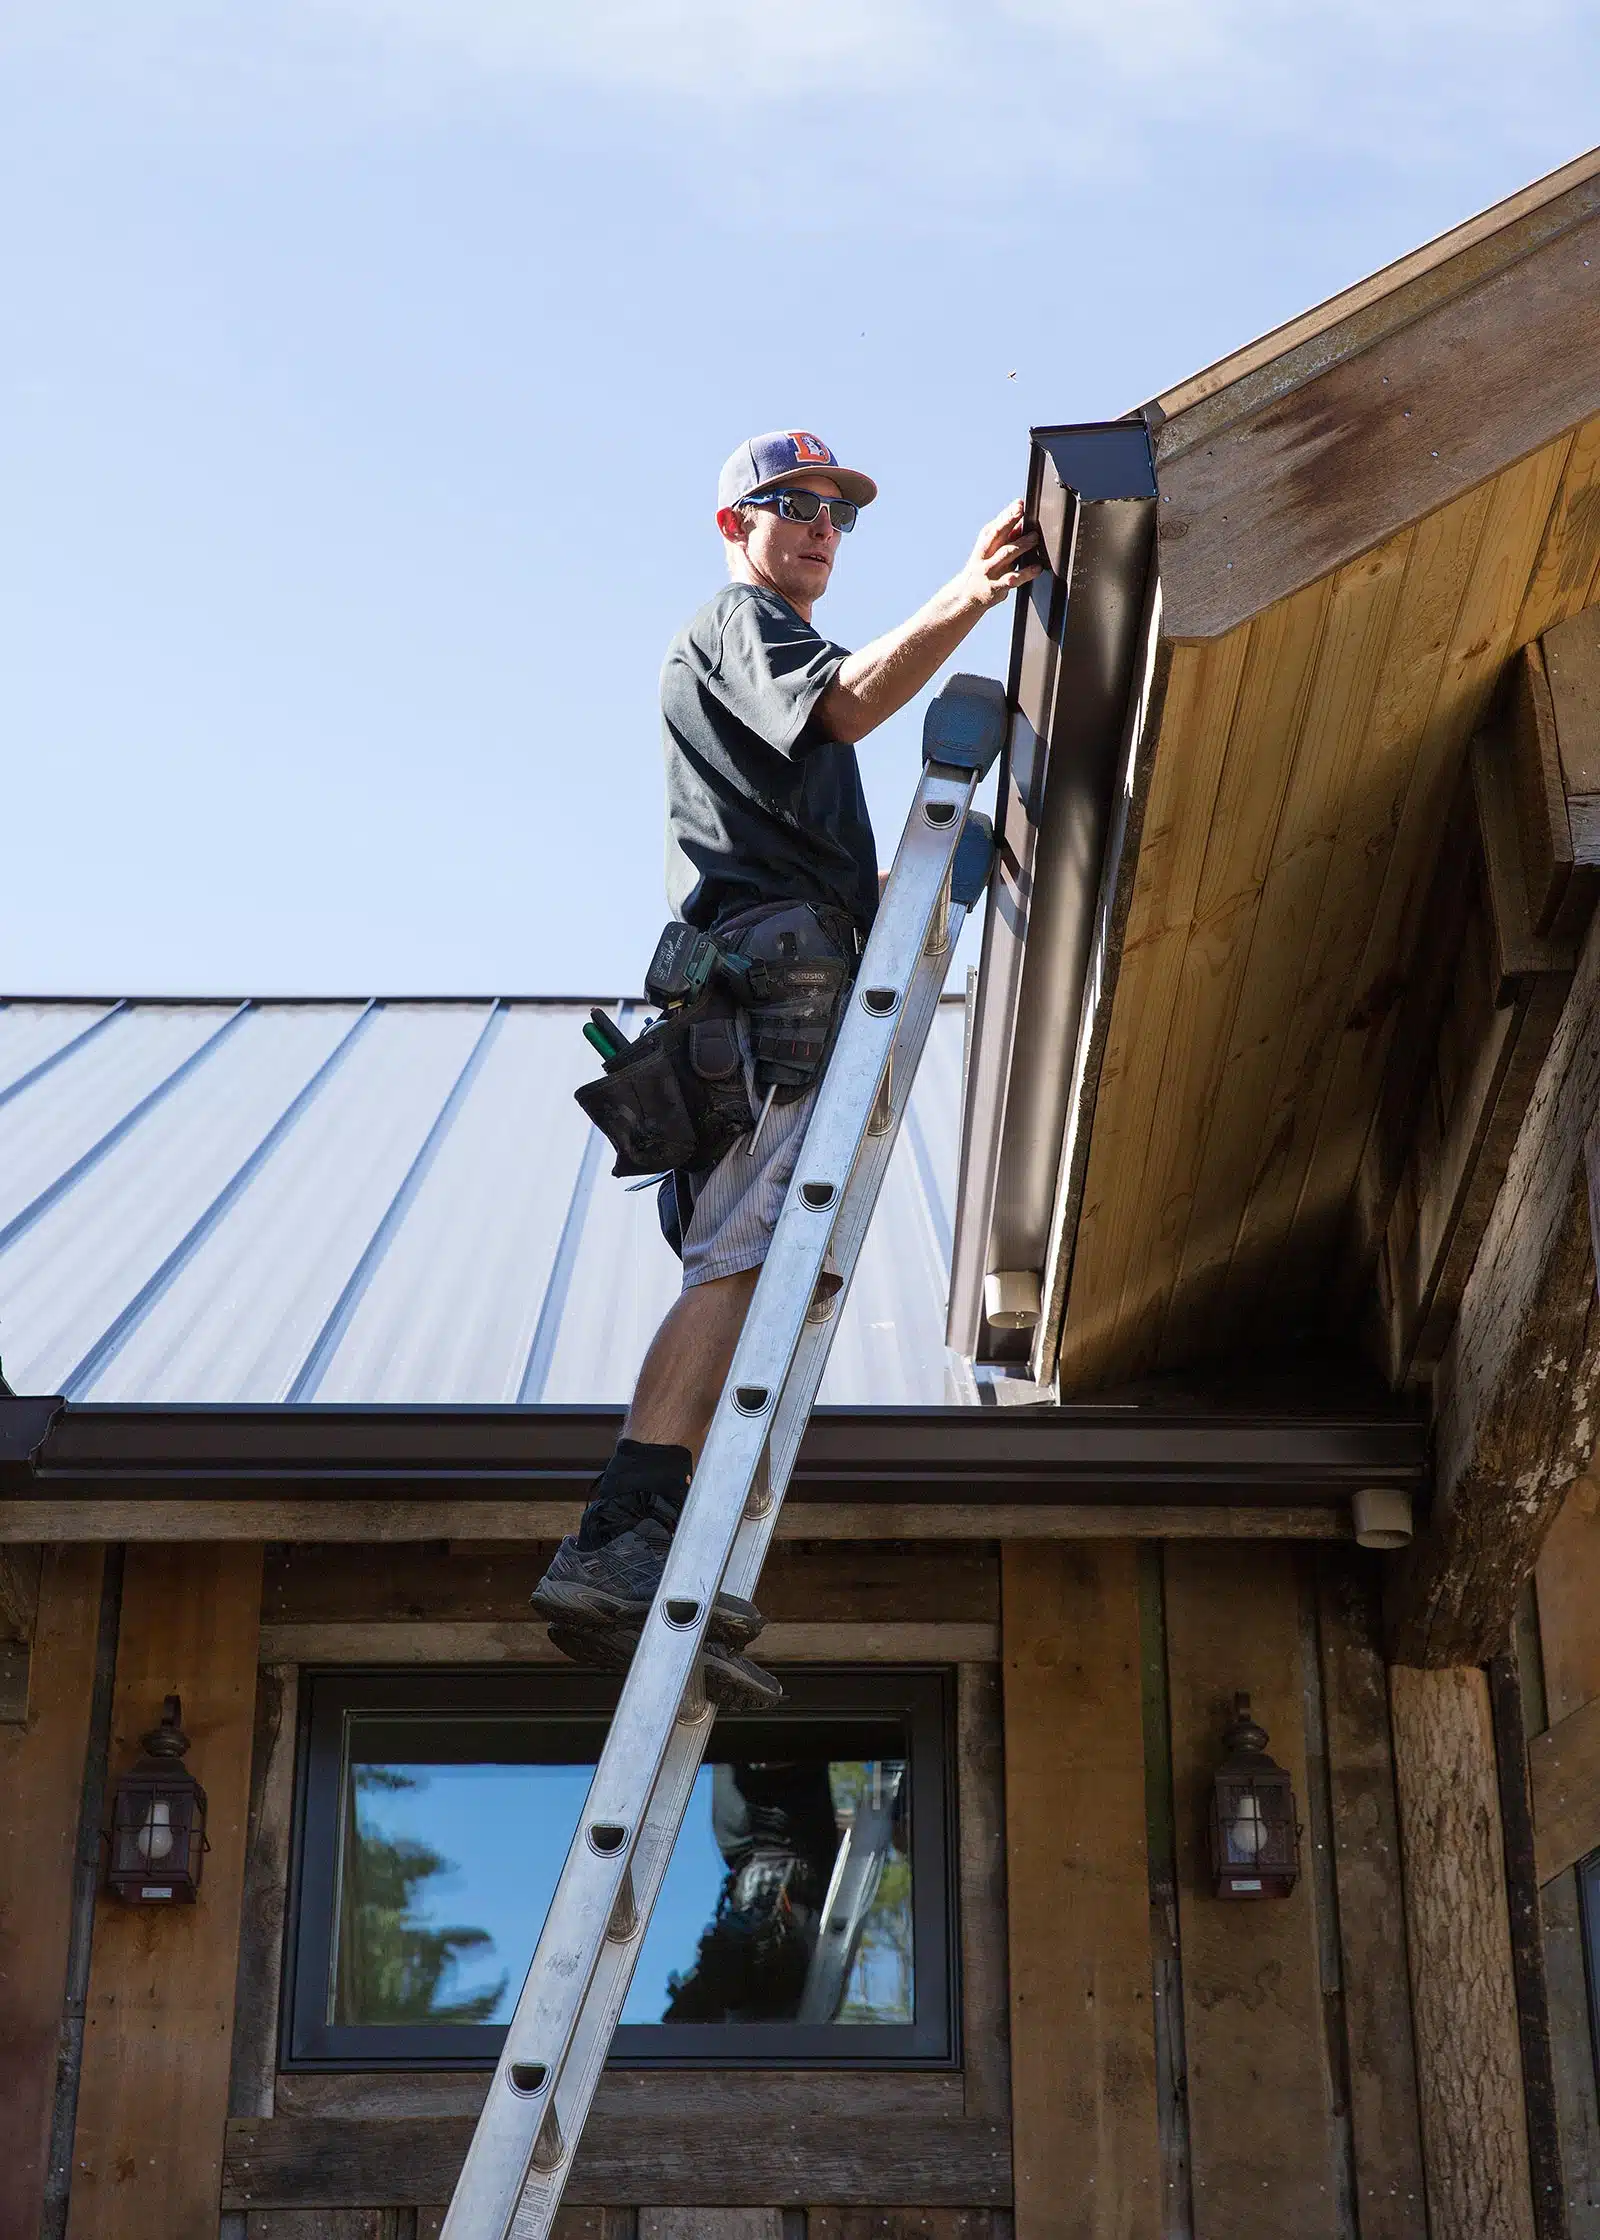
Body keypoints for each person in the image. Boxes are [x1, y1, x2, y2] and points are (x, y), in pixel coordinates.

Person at [533, 430, 1040, 1703]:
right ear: (735, 525)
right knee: (744, 1257)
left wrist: (914, 887)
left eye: (836, 512)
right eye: (793, 505)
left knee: (762, 1271)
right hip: (770, 994)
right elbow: (851, 702)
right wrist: (972, 593)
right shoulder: (735, 622)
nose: (819, 525)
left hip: (781, 968)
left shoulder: (764, 653)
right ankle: (618, 1534)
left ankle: (659, 1557)